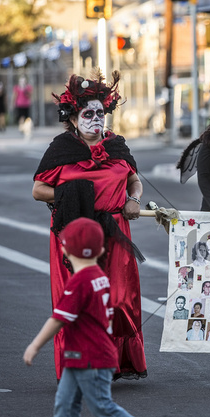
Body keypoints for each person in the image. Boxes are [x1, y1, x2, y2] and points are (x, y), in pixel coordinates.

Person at [32, 71, 148, 381]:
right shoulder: (61, 149)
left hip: (115, 232)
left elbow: (134, 181)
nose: (95, 118)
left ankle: (115, 359)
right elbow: (38, 190)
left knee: (121, 299)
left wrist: (135, 200)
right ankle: (85, 366)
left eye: (100, 112)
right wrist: (73, 194)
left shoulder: (117, 147)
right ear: (72, 117)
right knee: (81, 303)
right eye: (88, 113)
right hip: (75, 234)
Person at [23, 218, 160, 417]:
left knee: (101, 405)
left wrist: (34, 346)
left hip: (91, 358)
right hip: (81, 355)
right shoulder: (98, 276)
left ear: (65, 249)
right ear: (98, 250)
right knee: (65, 403)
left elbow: (58, 319)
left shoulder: (78, 282)